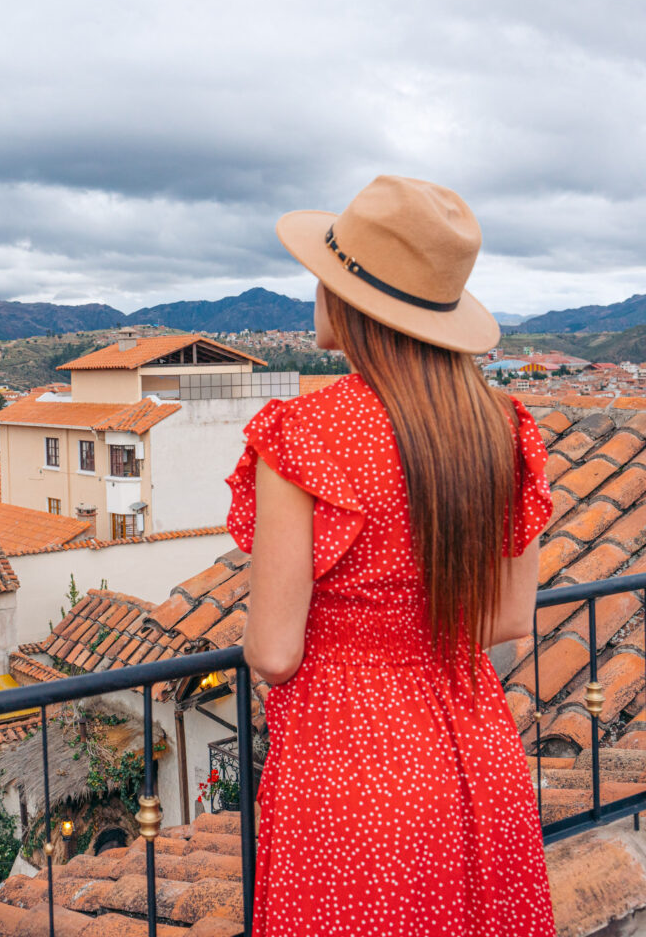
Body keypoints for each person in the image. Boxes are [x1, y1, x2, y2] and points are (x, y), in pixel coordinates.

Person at [225, 176, 555, 936]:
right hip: (475, 755)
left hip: (348, 771)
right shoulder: (501, 428)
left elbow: (274, 652)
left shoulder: (305, 435)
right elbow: (507, 617)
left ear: (351, 299)